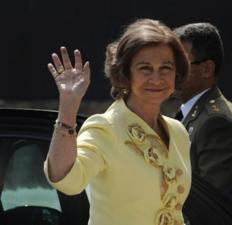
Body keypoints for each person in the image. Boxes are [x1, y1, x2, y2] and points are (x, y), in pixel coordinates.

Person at [43, 19, 191, 225]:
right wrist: (68, 106)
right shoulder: (105, 129)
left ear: (177, 73)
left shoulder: (178, 132)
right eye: (145, 68)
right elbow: (66, 180)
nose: (156, 78)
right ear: (125, 73)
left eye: (165, 67)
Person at [164, 22, 232, 194]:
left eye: (180, 63)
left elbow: (212, 207)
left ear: (206, 69)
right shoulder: (190, 112)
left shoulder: (216, 123)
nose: (170, 71)